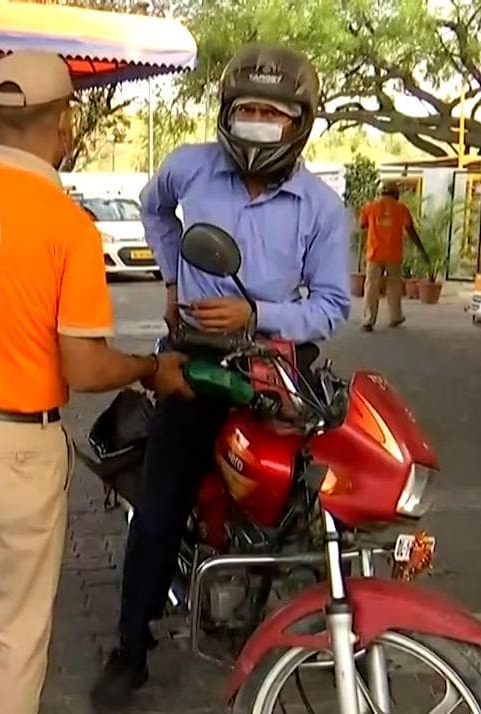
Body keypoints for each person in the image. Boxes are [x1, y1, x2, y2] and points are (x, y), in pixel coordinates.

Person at [0, 51, 192, 714]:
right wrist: (149, 368)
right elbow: (83, 368)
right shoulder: (66, 226)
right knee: (14, 632)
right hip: (15, 448)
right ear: (65, 122)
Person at [90, 43, 351, 710]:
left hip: (275, 365)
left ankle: (334, 623)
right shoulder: (188, 168)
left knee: (316, 498)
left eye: (275, 112)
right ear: (226, 115)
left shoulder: (321, 208)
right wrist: (174, 277)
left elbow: (332, 305)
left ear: (300, 123)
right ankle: (129, 645)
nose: (259, 121)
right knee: (160, 505)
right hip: (198, 361)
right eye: (247, 110)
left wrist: (257, 312)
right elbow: (153, 208)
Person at [358, 182, 429, 331]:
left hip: (374, 253)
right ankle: (395, 317)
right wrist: (421, 249)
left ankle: (368, 320)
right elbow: (411, 230)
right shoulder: (401, 208)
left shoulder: (370, 207)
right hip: (393, 254)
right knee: (394, 285)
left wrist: (376, 222)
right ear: (396, 194)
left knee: (371, 286)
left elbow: (362, 225)